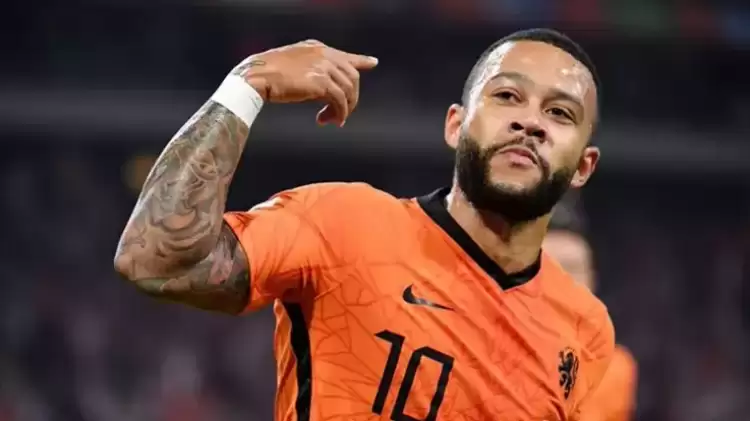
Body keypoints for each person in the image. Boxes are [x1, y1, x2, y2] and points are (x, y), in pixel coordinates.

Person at [115, 29, 614, 420]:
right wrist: (246, 87)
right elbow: (155, 260)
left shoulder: (585, 330)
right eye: (507, 96)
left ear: (584, 167)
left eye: (559, 112)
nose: (530, 122)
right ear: (455, 126)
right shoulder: (343, 224)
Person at [544, 196, 638, 421]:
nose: (562, 280)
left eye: (572, 268)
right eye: (548, 267)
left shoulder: (616, 369)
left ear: (592, 280)